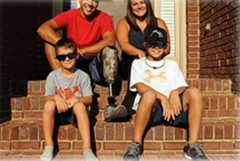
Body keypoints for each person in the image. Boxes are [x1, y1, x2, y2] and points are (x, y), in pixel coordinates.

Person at [123, 27, 209, 161]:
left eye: (161, 44)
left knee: (194, 92)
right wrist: (163, 98)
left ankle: (192, 145)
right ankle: (136, 144)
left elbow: (181, 85)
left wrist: (175, 92)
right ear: (146, 45)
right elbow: (140, 86)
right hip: (151, 110)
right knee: (149, 94)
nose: (156, 47)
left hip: (173, 109)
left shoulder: (171, 65)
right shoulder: (138, 64)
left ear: (166, 47)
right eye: (152, 44)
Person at [37, 0, 127, 122]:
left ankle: (111, 102)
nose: (90, 3)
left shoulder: (103, 17)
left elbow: (110, 41)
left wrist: (82, 51)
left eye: (94, 1)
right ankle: (62, 81)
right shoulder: (70, 15)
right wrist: (68, 47)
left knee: (110, 50)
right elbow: (43, 29)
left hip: (93, 64)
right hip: (72, 62)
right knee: (50, 43)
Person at [40, 38, 99, 161]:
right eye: (62, 57)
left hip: (76, 114)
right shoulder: (53, 76)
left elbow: (89, 99)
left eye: (70, 55)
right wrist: (56, 97)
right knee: (49, 105)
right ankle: (49, 146)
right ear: (57, 59)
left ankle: (87, 149)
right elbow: (47, 97)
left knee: (80, 105)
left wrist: (76, 99)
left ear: (76, 56)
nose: (67, 59)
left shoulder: (83, 76)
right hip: (59, 112)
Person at [116, 0, 170, 124]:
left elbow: (167, 47)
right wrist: (140, 53)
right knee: (135, 64)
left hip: (153, 60)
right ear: (130, 7)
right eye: (135, 4)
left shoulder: (159, 23)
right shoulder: (124, 23)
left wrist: (151, 57)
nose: (139, 6)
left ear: (148, 4)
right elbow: (123, 45)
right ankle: (131, 110)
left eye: (142, 2)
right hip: (130, 62)